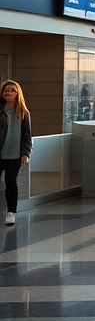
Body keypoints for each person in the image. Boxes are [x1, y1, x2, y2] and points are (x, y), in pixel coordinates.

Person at [1, 80, 32, 226]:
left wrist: (26, 153)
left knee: (10, 183)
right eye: (6, 90)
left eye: (12, 90)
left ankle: (11, 212)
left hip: (14, 156)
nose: (9, 93)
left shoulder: (23, 113)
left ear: (17, 93)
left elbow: (27, 135)